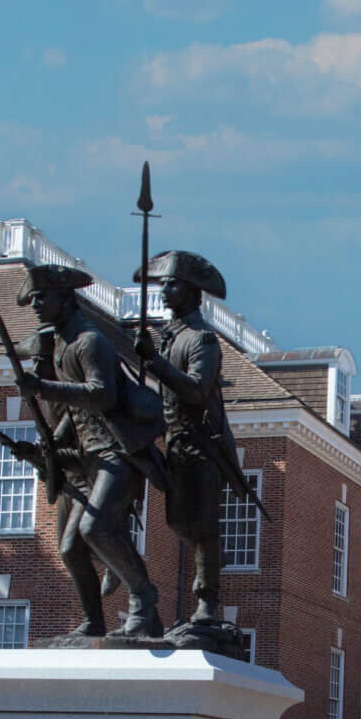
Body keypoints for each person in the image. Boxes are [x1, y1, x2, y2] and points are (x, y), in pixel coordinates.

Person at [17, 264, 166, 640]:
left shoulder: (89, 341)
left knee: (94, 528)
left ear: (64, 298)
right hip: (87, 459)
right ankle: (94, 622)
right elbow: (72, 414)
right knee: (70, 548)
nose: (35, 305)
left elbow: (102, 395)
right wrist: (47, 448)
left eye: (42, 297)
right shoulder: (62, 345)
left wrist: (43, 387)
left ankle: (143, 597)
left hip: (118, 453)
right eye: (32, 298)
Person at [135, 250, 248, 644]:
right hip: (176, 443)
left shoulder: (202, 340)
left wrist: (156, 363)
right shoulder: (170, 338)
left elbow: (198, 391)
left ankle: (206, 601)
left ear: (192, 292)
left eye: (172, 284)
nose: (164, 290)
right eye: (163, 283)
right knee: (178, 523)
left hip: (203, 445)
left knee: (202, 528)